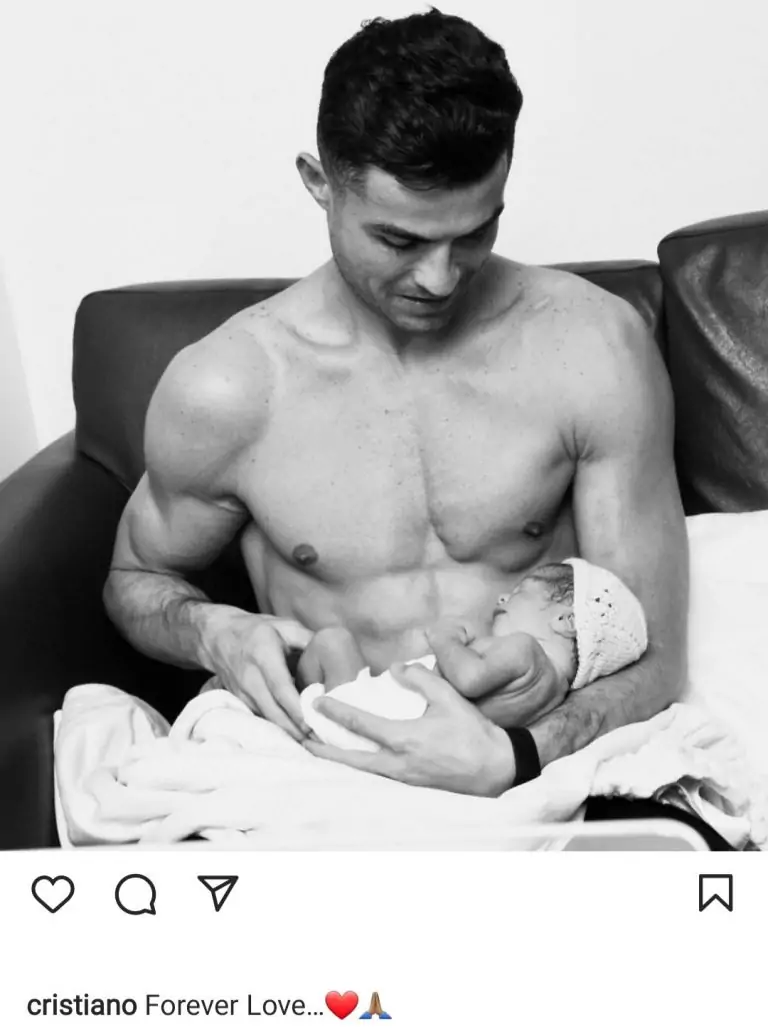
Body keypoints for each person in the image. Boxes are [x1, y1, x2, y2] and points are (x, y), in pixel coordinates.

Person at [103, 10, 688, 801]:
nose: (440, 278)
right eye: (400, 241)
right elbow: (135, 579)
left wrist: (518, 755)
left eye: (474, 233)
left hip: (536, 763)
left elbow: (653, 647)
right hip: (333, 766)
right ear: (320, 184)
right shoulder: (230, 389)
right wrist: (212, 631)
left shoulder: (593, 347)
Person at [297, 559, 649, 750]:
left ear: (566, 621)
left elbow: (469, 679)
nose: (502, 598)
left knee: (332, 642)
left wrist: (445, 638)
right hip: (410, 734)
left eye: (519, 592)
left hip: (378, 720)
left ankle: (297, 716)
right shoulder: (555, 693)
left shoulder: (524, 648)